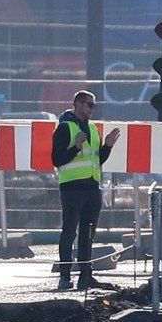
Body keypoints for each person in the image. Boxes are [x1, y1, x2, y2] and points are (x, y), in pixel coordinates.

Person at [52, 90, 120, 290]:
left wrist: (107, 146)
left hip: (92, 187)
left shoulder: (92, 128)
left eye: (94, 105)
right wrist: (75, 147)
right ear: (78, 104)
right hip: (72, 188)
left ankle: (85, 275)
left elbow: (97, 160)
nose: (92, 109)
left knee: (88, 233)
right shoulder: (65, 128)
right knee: (69, 231)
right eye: (90, 105)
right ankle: (65, 275)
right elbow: (57, 160)